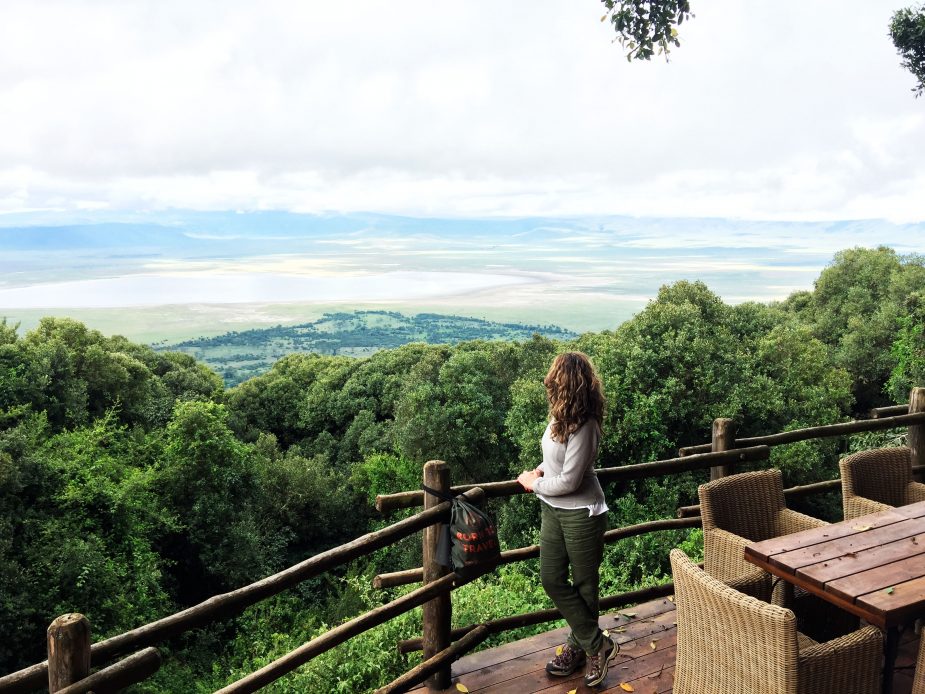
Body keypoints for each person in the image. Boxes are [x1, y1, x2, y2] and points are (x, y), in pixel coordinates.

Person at [517, 351, 616, 688]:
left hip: (582, 513)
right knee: (551, 578)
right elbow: (555, 461)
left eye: (554, 379)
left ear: (567, 384)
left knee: (585, 585)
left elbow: (571, 481)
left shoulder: (587, 425)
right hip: (552, 509)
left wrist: (533, 484)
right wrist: (539, 471)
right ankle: (596, 643)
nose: (549, 383)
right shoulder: (559, 417)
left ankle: (583, 647)